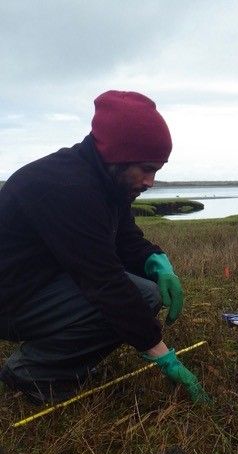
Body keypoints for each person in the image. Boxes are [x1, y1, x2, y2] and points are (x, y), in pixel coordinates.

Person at [0, 90, 207, 405]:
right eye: (146, 169)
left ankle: (61, 363)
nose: (151, 181)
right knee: (139, 297)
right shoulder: (70, 188)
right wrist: (162, 354)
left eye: (157, 171)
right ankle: (31, 371)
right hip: (11, 299)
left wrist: (154, 259)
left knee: (145, 291)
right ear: (119, 156)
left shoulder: (108, 178)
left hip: (42, 283)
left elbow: (124, 236)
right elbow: (104, 282)